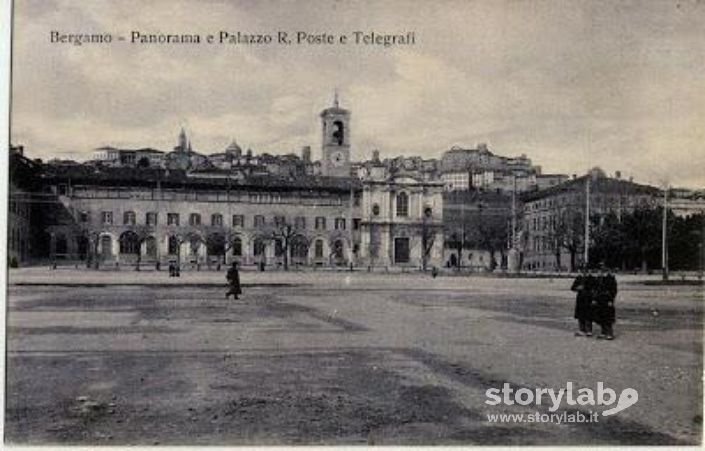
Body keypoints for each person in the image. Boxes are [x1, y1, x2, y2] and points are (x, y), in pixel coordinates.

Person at [593, 264, 617, 340]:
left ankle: (609, 333)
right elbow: (595, 290)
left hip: (607, 299)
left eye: (603, 270)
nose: (601, 272)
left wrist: (611, 300)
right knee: (600, 315)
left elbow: (613, 290)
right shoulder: (598, 279)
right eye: (600, 270)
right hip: (599, 299)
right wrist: (594, 299)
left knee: (608, 316)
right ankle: (603, 332)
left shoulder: (611, 279)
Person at [571, 265, 594, 337]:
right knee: (580, 315)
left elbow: (595, 288)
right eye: (582, 271)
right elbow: (572, 287)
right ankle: (582, 329)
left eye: (586, 271)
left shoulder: (592, 279)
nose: (584, 272)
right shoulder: (579, 278)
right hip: (580, 299)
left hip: (588, 299)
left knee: (588, 315)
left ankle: (589, 330)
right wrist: (577, 288)